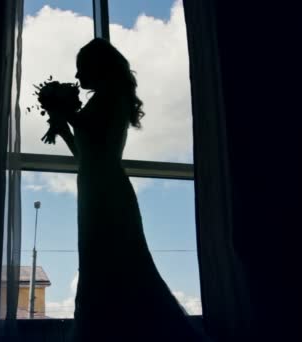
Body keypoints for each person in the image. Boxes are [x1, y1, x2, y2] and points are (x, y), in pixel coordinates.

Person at [52, 38, 206, 342]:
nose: (78, 77)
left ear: (99, 68)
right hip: (95, 191)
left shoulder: (113, 98)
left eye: (82, 69)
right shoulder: (103, 99)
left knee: (114, 265)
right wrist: (65, 128)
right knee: (101, 265)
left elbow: (98, 142)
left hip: (108, 193)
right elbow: (86, 156)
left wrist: (65, 110)